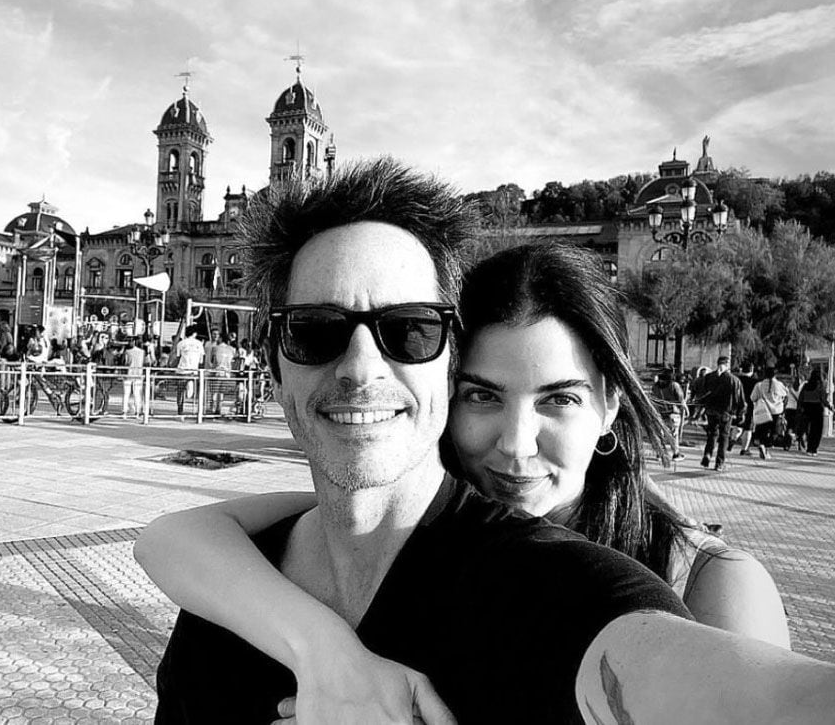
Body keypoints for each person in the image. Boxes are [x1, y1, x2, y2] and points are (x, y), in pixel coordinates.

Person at [138, 160, 832, 724]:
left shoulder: (589, 592)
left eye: (408, 331)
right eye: (316, 329)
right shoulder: (230, 602)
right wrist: (323, 649)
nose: (516, 444)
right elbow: (172, 536)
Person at [691, 355, 745, 472]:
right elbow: (739, 398)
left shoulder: (709, 377)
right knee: (724, 437)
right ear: (727, 365)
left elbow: (703, 393)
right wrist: (740, 413)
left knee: (712, 434)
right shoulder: (734, 380)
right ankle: (719, 463)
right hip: (726, 412)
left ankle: (707, 454)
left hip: (711, 411)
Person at [749, 366, 788, 460]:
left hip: (763, 413)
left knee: (762, 431)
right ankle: (766, 448)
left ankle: (762, 446)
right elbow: (786, 396)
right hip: (776, 412)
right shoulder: (780, 385)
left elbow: (752, 398)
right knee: (774, 432)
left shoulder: (759, 385)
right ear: (775, 374)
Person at [650, 367, 687, 463]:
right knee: (674, 434)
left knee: (660, 434)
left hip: (660, 413)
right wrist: (685, 409)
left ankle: (660, 453)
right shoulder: (674, 385)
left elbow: (653, 399)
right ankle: (676, 454)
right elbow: (681, 399)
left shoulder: (655, 387)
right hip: (673, 413)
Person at [798, 366, 833, 455]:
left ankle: (809, 448)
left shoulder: (806, 386)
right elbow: (823, 399)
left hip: (806, 408)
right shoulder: (819, 387)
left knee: (809, 429)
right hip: (817, 408)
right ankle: (813, 449)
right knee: (817, 430)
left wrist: (800, 408)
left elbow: (800, 398)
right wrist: (829, 407)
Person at [172, 326, 205, 416]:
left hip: (182, 370)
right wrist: (201, 369)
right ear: (194, 334)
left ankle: (180, 411)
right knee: (193, 391)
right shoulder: (199, 344)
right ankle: (197, 412)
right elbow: (202, 359)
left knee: (180, 392)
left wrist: (172, 366)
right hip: (193, 371)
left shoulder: (181, 343)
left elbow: (178, 357)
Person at [730, 361, 757, 455]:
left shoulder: (736, 380)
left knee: (738, 425)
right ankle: (744, 449)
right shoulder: (754, 382)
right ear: (752, 370)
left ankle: (732, 440)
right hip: (749, 406)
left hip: (737, 406)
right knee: (748, 428)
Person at [121, 337, 147, 419]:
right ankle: (137, 412)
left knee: (126, 394)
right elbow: (145, 362)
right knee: (137, 394)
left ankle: (124, 412)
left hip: (128, 374)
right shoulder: (142, 352)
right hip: (139, 374)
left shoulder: (127, 352)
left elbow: (125, 362)